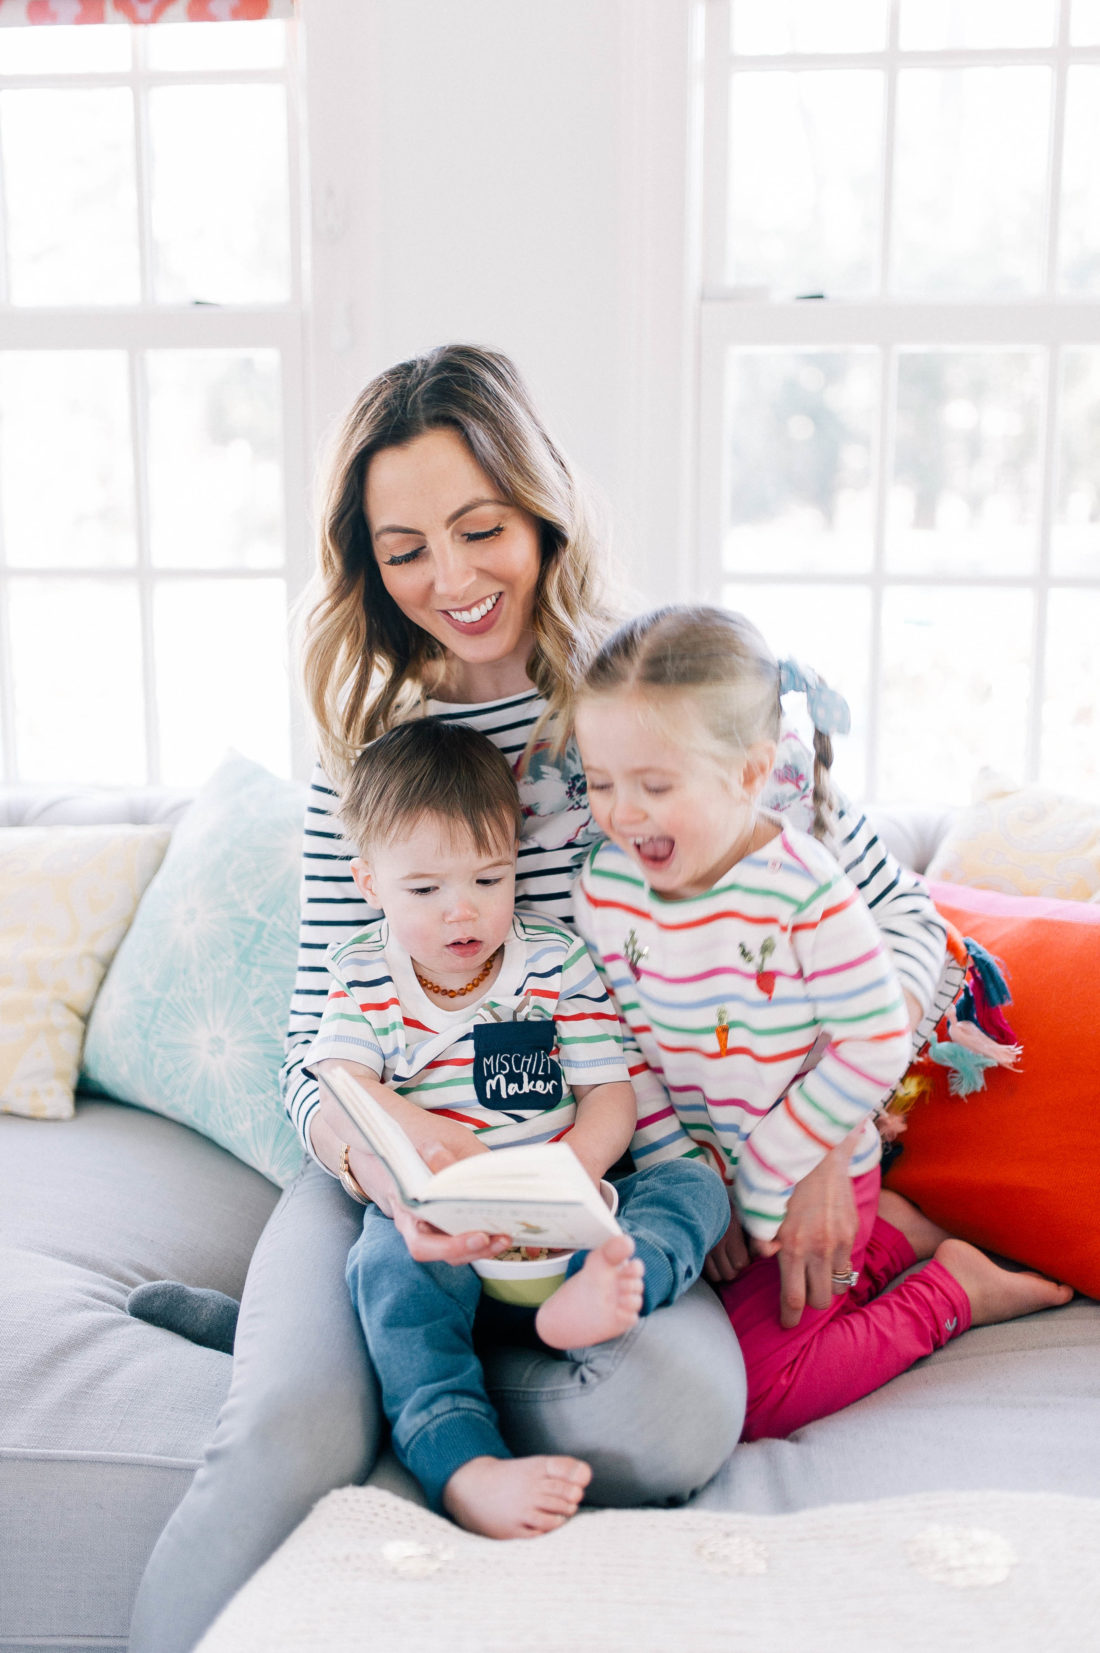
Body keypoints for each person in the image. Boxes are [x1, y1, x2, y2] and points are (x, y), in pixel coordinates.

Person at [127, 343, 956, 1653]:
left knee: (669, 1417)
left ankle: (386, 1381)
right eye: (404, 548)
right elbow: (313, 1052)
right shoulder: (378, 752)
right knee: (292, 1431)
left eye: (479, 528)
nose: (450, 579)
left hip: (604, 1180)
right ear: (367, 567)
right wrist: (385, 1162)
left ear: (541, 511)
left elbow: (905, 926)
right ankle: (346, 1365)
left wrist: (820, 1149)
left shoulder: (665, 693)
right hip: (402, 1178)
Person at [571, 603, 1073, 1440]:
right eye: (599, 782)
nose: (623, 814)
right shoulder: (604, 888)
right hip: (697, 1183)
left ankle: (953, 1288)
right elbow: (626, 1046)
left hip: (807, 1168)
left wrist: (771, 1172)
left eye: (655, 786)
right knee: (639, 1347)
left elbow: (874, 1035)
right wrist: (692, 1178)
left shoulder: (802, 889)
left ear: (749, 772)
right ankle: (890, 1239)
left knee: (757, 1399)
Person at [308, 717, 729, 1537]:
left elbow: (612, 1095)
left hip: (571, 1223)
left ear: (516, 864)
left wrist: (572, 1172)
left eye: (489, 879)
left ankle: (608, 1288)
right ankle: (464, 1463)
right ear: (369, 884)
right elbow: (339, 1080)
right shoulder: (360, 973)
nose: (461, 911)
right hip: (445, 1231)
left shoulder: (556, 960)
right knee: (383, 1267)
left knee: (692, 1183)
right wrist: (418, 1131)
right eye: (425, 889)